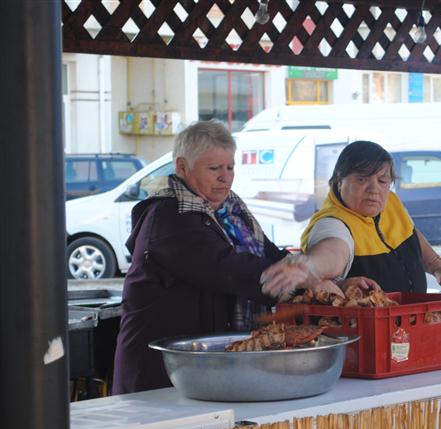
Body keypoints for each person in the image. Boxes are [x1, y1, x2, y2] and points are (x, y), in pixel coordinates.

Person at [112, 120, 317, 394]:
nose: (226, 177)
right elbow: (231, 271)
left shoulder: (232, 209)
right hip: (161, 375)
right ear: (182, 167)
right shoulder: (168, 218)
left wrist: (314, 273)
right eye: (214, 168)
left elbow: (270, 254)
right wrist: (300, 279)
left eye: (230, 167)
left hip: (207, 370)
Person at [261, 140, 441, 297]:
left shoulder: (391, 203)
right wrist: (308, 266)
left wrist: (439, 269)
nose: (374, 190)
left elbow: (412, 236)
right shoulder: (331, 221)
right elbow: (332, 252)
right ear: (338, 181)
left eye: (382, 180)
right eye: (362, 179)